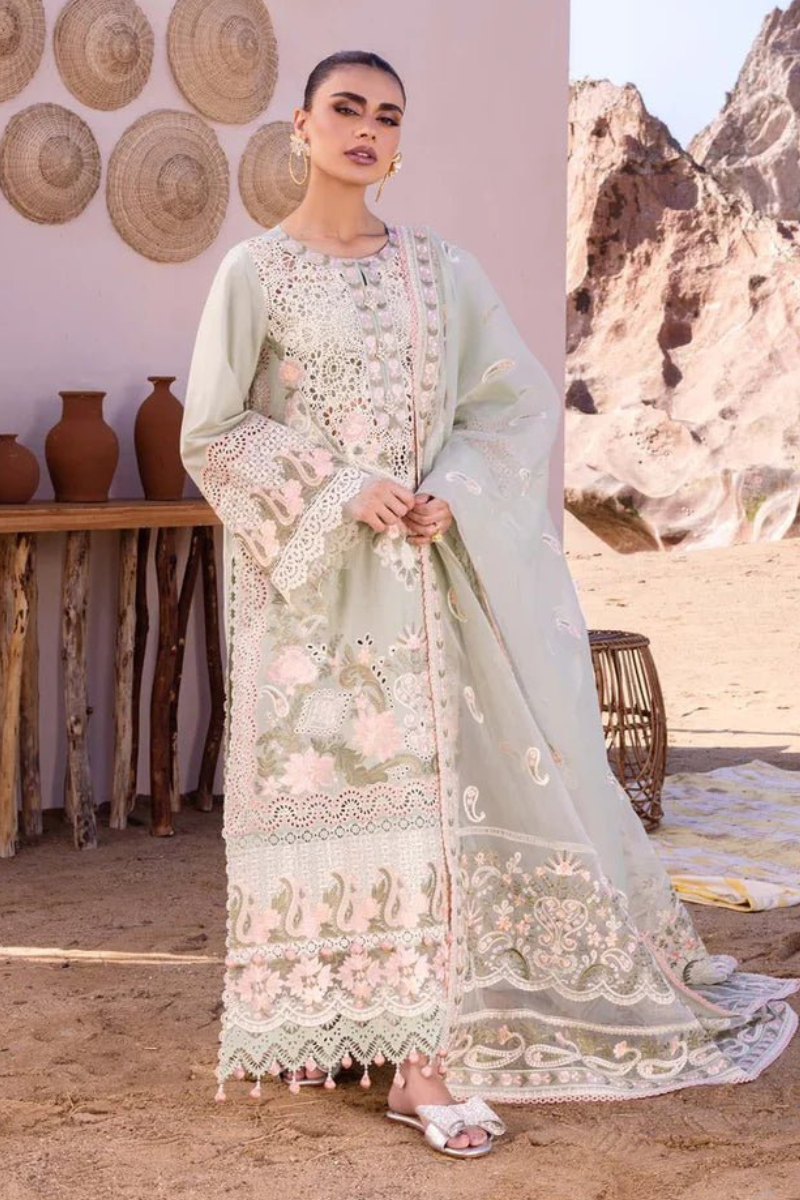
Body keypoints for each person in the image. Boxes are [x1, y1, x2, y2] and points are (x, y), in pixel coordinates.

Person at [180, 50, 799, 1160]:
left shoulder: (440, 272)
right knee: (340, 800)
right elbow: (215, 430)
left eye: (387, 116)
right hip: (314, 597)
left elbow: (509, 408)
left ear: (398, 140)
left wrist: (448, 494)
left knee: (430, 807)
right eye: (345, 110)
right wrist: (339, 489)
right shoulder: (254, 274)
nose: (366, 130)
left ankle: (423, 1064)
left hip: (429, 584)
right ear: (301, 126)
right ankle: (346, 1023)